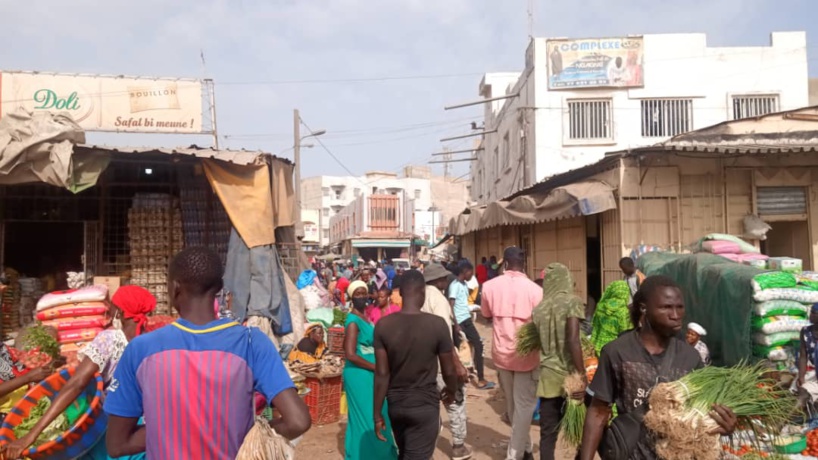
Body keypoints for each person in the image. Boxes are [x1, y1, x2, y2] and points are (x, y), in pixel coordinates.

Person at [103, 248, 310, 459]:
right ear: (219, 288)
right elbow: (298, 421)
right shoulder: (251, 342)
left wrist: (171, 430)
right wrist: (248, 435)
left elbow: (117, 445)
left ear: (175, 288)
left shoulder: (141, 349)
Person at [579, 276, 737, 460]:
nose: (675, 315)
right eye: (666, 307)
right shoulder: (618, 352)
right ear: (643, 308)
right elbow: (598, 412)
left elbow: (703, 412)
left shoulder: (690, 358)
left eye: (680, 307)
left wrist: (724, 424)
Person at [2, 285, 158, 460]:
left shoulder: (109, 340)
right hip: (146, 432)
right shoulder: (156, 344)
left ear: (120, 312)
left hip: (115, 431)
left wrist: (31, 435)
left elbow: (76, 384)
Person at [374, 270, 459, 460]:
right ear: (423, 292)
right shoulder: (437, 324)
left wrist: (377, 414)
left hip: (396, 406)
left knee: (405, 453)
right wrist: (451, 390)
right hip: (424, 406)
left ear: (401, 293)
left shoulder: (383, 325)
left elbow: (381, 375)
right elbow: (449, 370)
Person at [481, 247, 542, 460]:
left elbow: (486, 314)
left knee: (513, 405)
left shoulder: (489, 286)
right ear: (524, 264)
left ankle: (522, 450)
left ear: (505, 264)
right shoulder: (535, 290)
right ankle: (517, 453)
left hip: (501, 354)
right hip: (527, 357)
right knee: (523, 407)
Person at [533, 263, 586, 460]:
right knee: (581, 430)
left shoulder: (539, 309)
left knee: (548, 434)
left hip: (548, 378)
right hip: (570, 376)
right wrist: (581, 374)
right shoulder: (572, 301)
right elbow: (573, 340)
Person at [422, 263, 473, 460]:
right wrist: (457, 365)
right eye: (444, 278)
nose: (446, 280)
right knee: (455, 401)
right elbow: (444, 337)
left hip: (424, 362)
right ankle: (458, 446)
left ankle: (426, 449)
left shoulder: (420, 297)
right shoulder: (438, 300)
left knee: (430, 407)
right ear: (438, 280)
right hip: (442, 361)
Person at [343, 280, 398, 459]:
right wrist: (376, 367)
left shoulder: (365, 317)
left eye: (363, 293)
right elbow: (350, 354)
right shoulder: (353, 322)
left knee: (378, 410)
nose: (361, 297)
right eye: (357, 294)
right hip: (359, 374)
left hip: (370, 373)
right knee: (367, 415)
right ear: (351, 297)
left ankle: (379, 452)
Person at [449, 261, 492, 390]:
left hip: (466, 318)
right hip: (460, 321)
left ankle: (479, 377)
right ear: (465, 271)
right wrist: (456, 324)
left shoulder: (464, 284)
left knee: (477, 345)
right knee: (462, 349)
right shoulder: (454, 285)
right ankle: (469, 380)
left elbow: (462, 303)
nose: (472, 275)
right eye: (471, 273)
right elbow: (451, 305)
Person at [590, 280, 634, 355]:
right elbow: (625, 333)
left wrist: (592, 345)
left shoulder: (601, 306)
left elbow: (595, 329)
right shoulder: (623, 311)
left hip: (598, 347)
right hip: (614, 350)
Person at [798, 304, 818, 408]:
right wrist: (801, 377)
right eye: (811, 312)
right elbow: (803, 355)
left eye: (814, 313)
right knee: (798, 387)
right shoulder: (805, 331)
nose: (811, 315)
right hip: (814, 370)